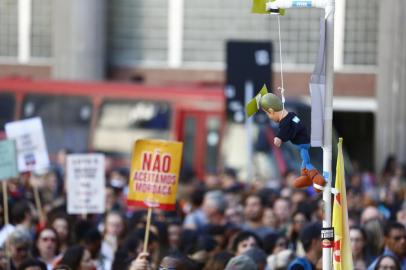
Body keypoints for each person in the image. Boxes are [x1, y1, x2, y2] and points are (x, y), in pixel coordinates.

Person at [260, 92, 326, 192]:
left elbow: (285, 131)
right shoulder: (293, 117)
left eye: (267, 113)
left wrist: (279, 138)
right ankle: (306, 177)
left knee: (306, 162)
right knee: (305, 161)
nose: (269, 116)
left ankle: (317, 179)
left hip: (302, 145)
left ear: (271, 111)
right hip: (303, 144)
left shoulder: (285, 122)